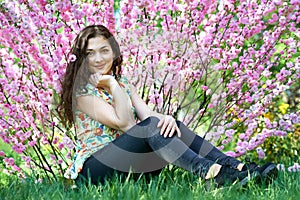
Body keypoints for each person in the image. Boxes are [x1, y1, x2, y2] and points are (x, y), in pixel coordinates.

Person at [59, 25, 278, 188]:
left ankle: (236, 168)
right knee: (155, 125)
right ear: (82, 58)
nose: (98, 58)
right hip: (95, 171)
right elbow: (126, 124)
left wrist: (168, 119)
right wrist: (113, 85)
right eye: (90, 53)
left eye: (104, 50)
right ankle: (213, 174)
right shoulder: (82, 93)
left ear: (114, 52)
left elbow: (147, 117)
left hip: (130, 164)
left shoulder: (124, 83)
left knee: (170, 125)